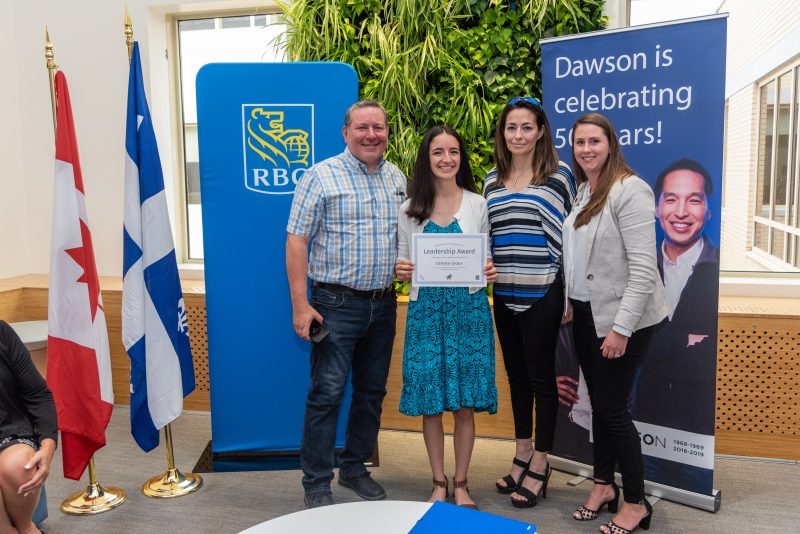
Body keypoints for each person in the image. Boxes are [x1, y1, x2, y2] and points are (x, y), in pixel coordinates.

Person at [286, 99, 407, 509]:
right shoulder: (320, 177)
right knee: (327, 393)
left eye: (378, 127)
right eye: (362, 128)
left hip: (383, 304)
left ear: (387, 132)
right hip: (334, 305)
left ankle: (354, 468)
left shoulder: (398, 178)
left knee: (372, 392)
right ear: (345, 132)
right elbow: (296, 240)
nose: (371, 135)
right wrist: (301, 305)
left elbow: (405, 240)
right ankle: (316, 482)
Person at [563, 113, 669, 534]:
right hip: (588, 314)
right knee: (601, 408)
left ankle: (637, 502)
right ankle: (603, 485)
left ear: (611, 144)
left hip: (625, 318)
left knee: (612, 411)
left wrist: (621, 329)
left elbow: (644, 268)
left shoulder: (631, 190)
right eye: (579, 142)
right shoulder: (584, 190)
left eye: (594, 141)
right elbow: (579, 257)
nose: (586, 149)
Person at [395, 126, 498, 509]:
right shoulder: (409, 209)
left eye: (453, 151)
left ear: (461, 158)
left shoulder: (477, 204)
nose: (446, 159)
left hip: (468, 314)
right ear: (427, 158)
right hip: (426, 313)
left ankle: (463, 483)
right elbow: (402, 258)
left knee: (465, 405)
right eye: (438, 152)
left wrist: (489, 270)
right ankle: (438, 482)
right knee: (432, 403)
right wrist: (402, 269)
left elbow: (487, 258)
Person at [484, 96, 576, 508]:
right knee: (516, 378)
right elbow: (486, 240)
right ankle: (521, 452)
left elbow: (573, 240)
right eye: (510, 128)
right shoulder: (491, 180)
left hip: (544, 291)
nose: (518, 135)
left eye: (526, 127)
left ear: (540, 131)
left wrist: (569, 296)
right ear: (502, 134)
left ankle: (541, 463)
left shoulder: (559, 176)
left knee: (542, 381)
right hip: (505, 293)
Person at [634, 159, 720, 433]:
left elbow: (708, 359)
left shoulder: (718, 269)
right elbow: (628, 346)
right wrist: (685, 340)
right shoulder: (636, 265)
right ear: (657, 208)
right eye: (671, 200)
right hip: (640, 421)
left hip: (695, 433)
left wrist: (654, 343)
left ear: (708, 210)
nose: (681, 212)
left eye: (694, 200)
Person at [0, 320, 58, 534]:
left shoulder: (2, 332)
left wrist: (47, 447)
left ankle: (27, 528)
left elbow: (38, 394)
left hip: (10, 432)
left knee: (21, 464)